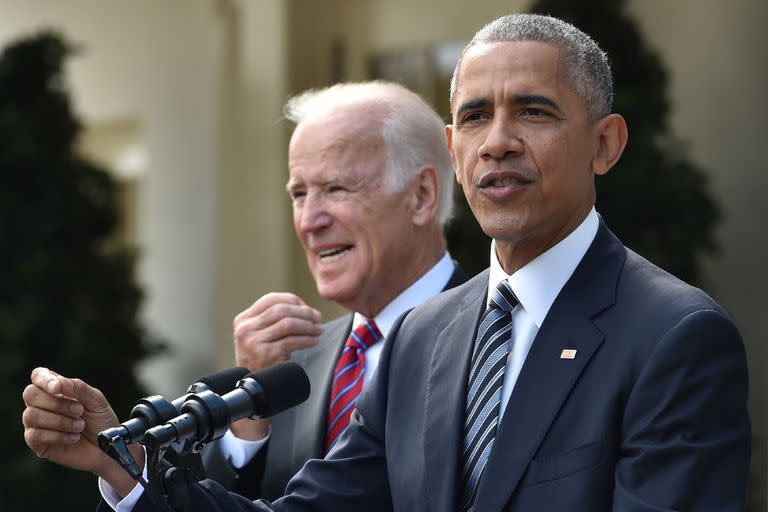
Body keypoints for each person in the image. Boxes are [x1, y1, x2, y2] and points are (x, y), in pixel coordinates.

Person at [22, 14, 750, 511]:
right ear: (453, 149)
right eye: (473, 117)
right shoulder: (420, 340)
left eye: (532, 111)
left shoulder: (675, 335)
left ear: (605, 144)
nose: (497, 141)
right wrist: (125, 464)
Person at [202, 81, 467, 500]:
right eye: (299, 194)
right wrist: (249, 416)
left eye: (336, 189)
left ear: (421, 196)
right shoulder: (290, 365)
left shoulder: (497, 337)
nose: (309, 221)